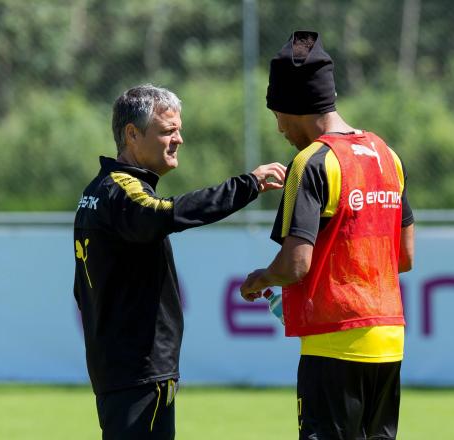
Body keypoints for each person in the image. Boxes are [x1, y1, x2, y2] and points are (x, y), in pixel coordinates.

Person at [73, 84, 285, 439]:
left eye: (179, 130)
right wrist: (248, 185)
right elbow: (166, 214)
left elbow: (81, 291)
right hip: (139, 369)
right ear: (132, 134)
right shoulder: (123, 190)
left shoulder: (98, 191)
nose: (179, 140)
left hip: (122, 368)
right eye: (168, 131)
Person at [240, 31, 415, 440]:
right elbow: (403, 257)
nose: (280, 128)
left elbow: (295, 264)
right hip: (389, 339)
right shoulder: (387, 156)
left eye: (277, 115)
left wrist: (263, 279)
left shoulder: (312, 162)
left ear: (291, 105)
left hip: (335, 345)